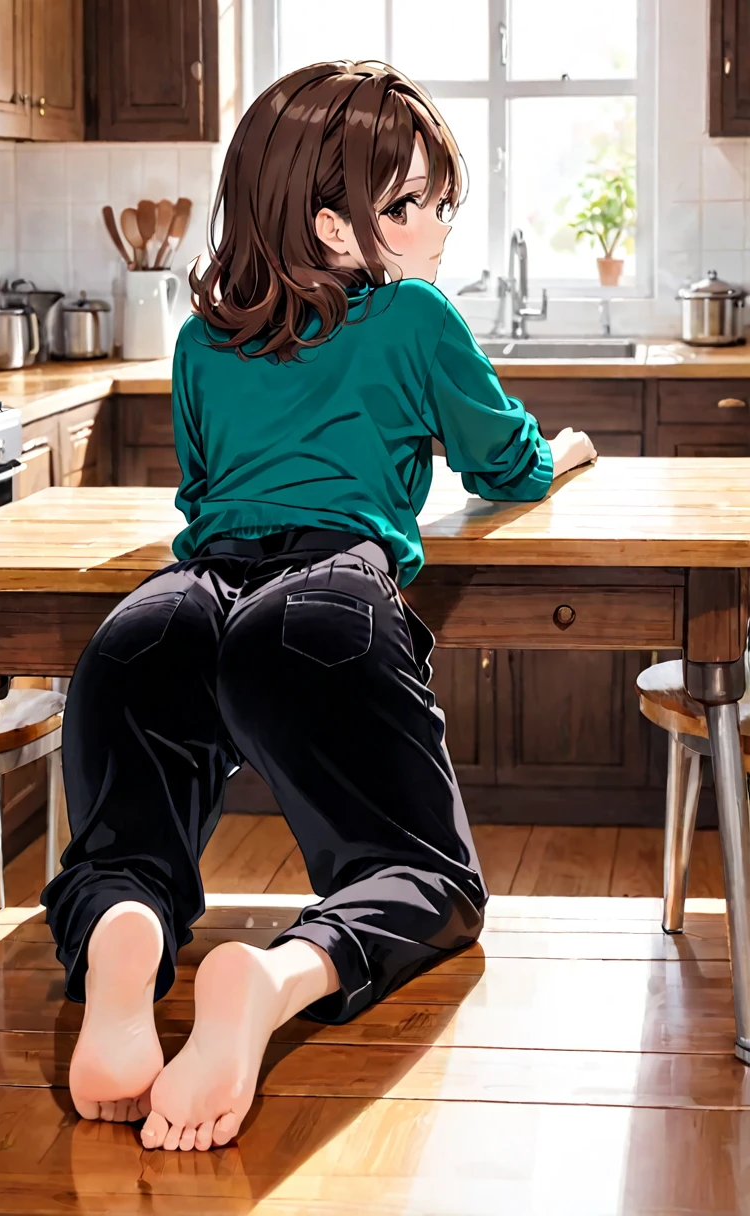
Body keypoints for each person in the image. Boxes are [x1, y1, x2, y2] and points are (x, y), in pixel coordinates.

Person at [40, 60, 597, 1154]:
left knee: (123, 845)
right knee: (425, 877)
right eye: (411, 205)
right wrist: (561, 455)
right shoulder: (415, 317)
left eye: (443, 201)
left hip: (168, 606)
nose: (437, 224)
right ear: (339, 230)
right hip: (323, 600)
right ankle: (274, 975)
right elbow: (504, 466)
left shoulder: (201, 339)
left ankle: (118, 948)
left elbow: (200, 494)